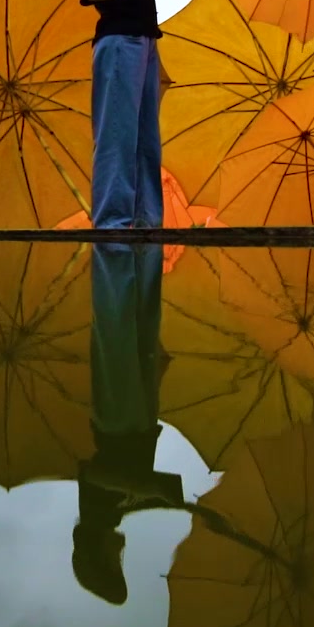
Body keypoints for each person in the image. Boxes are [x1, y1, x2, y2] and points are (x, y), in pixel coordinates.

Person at [73, 0, 204, 229]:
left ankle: (147, 220)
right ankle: (114, 220)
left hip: (147, 46)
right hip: (118, 44)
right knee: (118, 133)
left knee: (147, 138)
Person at [71, 241, 180, 604]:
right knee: (137, 330)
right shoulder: (114, 516)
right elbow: (139, 493)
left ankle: (121, 258)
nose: (120, 557)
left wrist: (151, 487)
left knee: (118, 331)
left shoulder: (95, 517)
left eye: (113, 563)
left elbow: (93, 475)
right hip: (138, 420)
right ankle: (137, 258)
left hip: (118, 421)